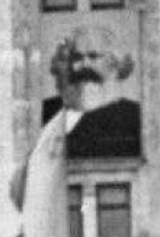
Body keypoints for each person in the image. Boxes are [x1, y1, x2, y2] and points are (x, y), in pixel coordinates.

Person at [41, 24, 141, 158]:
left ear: (115, 63)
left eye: (93, 56)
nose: (84, 65)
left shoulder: (135, 116)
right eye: (76, 57)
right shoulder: (46, 110)